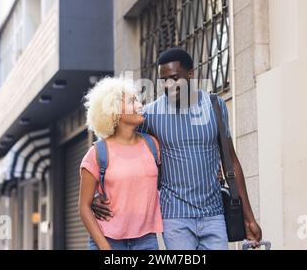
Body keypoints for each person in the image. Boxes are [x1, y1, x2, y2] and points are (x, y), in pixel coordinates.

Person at [92, 47, 262, 250]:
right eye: (164, 81)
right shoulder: (150, 114)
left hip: (214, 215)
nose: (168, 85)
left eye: (174, 78)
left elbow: (231, 161)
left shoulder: (215, 106)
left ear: (190, 74)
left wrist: (248, 216)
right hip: (175, 217)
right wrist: (94, 196)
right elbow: (115, 145)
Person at [78, 76, 162, 250]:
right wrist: (104, 247)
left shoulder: (152, 145)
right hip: (108, 240)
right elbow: (84, 207)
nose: (140, 106)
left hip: (146, 241)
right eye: (132, 101)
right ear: (114, 111)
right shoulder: (97, 153)